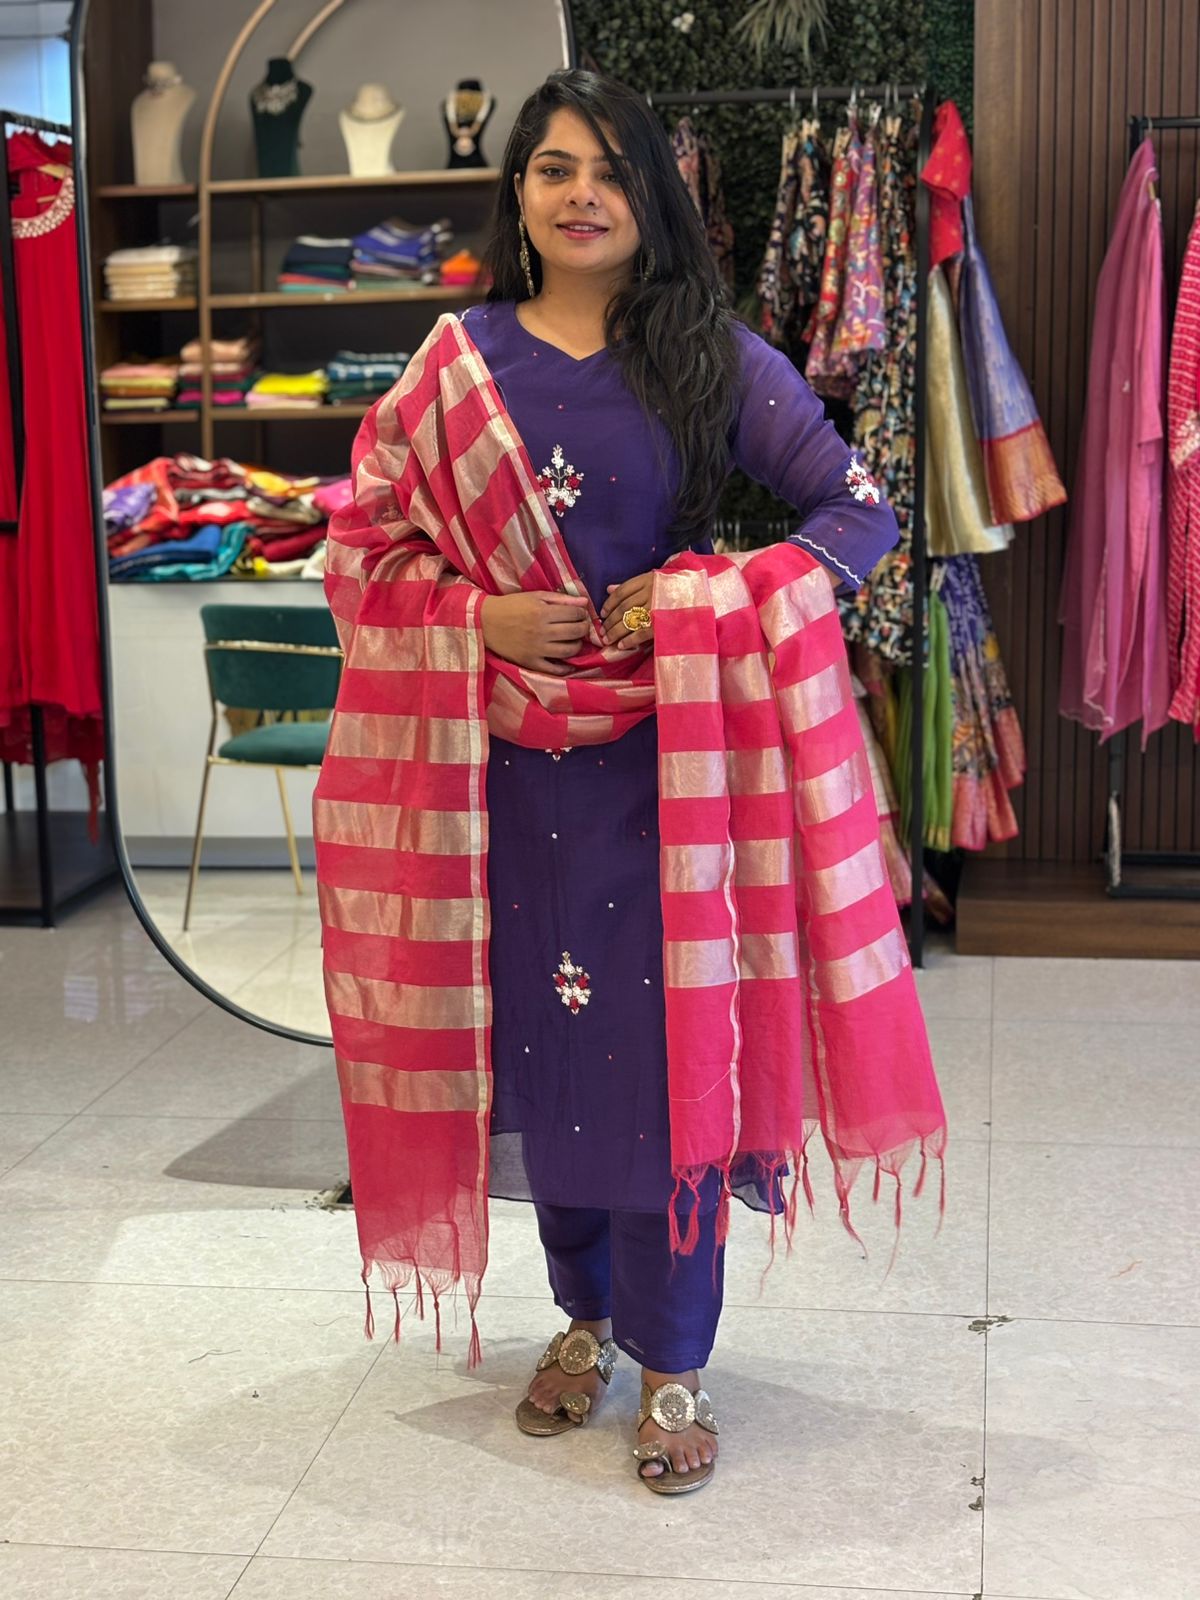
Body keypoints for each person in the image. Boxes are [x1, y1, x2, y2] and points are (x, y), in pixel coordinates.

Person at [314, 69, 946, 1498]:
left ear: (652, 196)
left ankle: (675, 1365)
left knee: (666, 1072)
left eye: (610, 170)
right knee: (548, 1061)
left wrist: (712, 592)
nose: (582, 194)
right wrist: (476, 617)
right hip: (503, 786)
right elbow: (360, 548)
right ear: (520, 193)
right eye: (555, 168)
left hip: (669, 783)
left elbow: (860, 513)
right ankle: (584, 1323)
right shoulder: (456, 363)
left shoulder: (707, 357)